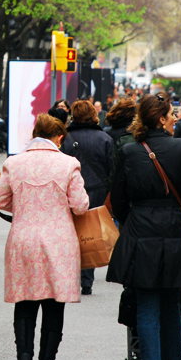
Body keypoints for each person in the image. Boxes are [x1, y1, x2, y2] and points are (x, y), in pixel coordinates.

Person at [107, 92, 181, 360]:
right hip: (174, 230)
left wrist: (135, 219)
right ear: (161, 119)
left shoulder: (129, 151)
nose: (175, 118)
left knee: (147, 306)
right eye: (172, 114)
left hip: (141, 230)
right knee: (172, 304)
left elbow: (119, 201)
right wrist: (176, 216)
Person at [0, 113, 89, 360]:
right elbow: (80, 206)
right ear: (58, 137)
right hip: (59, 242)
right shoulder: (69, 164)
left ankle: (24, 358)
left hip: (22, 239)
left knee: (25, 300)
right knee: (54, 304)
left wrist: (22, 204)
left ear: (34, 134)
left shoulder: (15, 163)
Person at [61, 99, 113, 295]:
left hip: (73, 190)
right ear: (93, 115)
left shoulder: (65, 138)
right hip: (98, 191)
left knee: (71, 233)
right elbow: (111, 169)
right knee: (89, 233)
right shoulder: (104, 138)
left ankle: (69, 276)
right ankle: (87, 280)